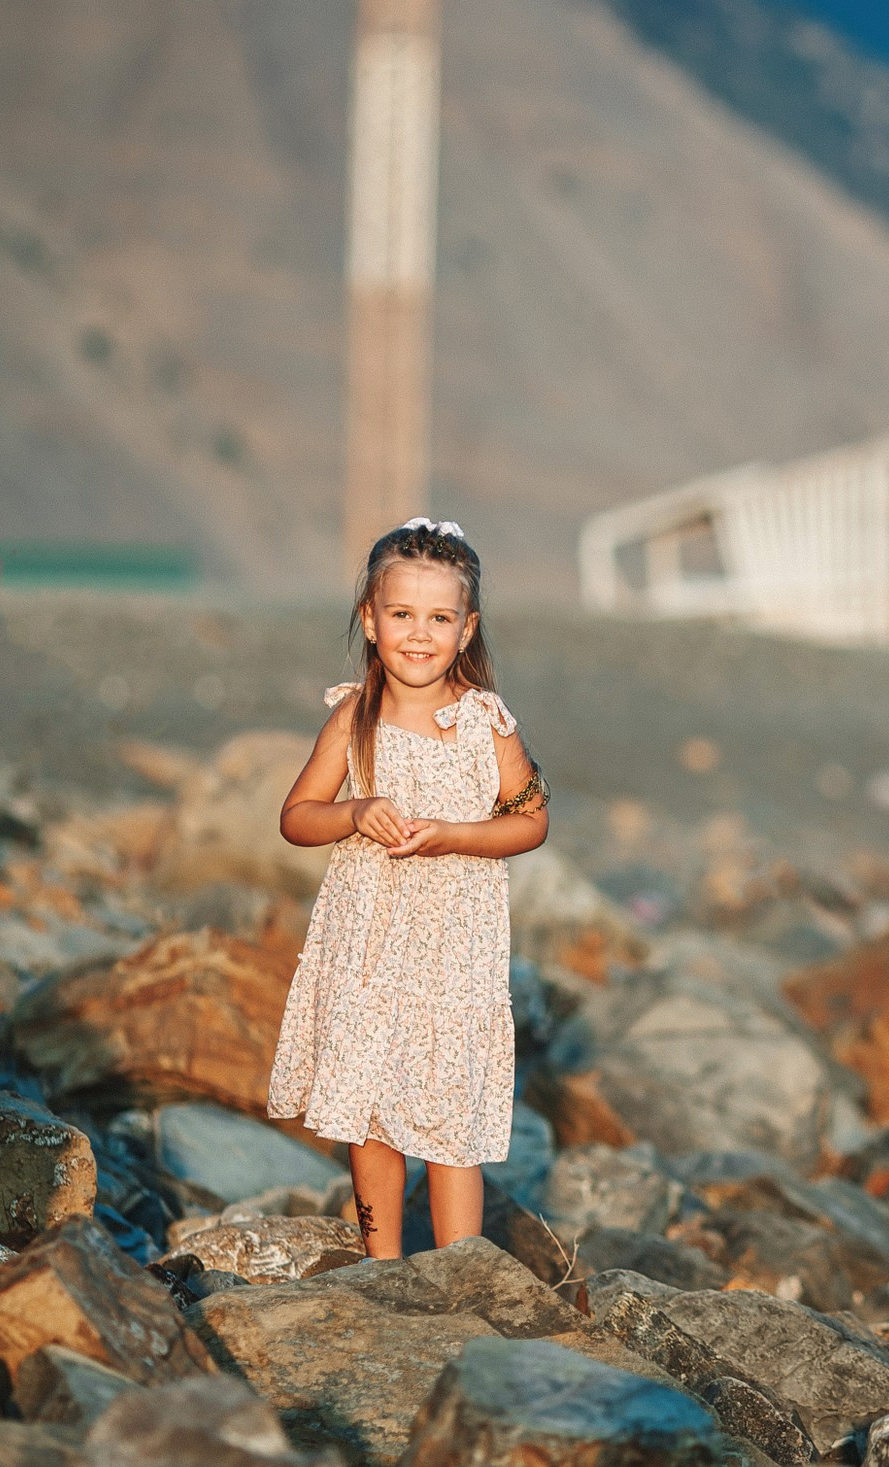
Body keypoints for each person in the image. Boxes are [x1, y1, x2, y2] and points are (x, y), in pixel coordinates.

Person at [269, 517, 547, 1257]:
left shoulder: (484, 722)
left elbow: (531, 819)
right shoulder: (352, 716)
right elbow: (297, 817)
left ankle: (462, 1265)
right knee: (368, 1107)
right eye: (401, 615)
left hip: (454, 948)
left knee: (450, 1114)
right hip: (367, 943)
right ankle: (380, 1261)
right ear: (370, 617)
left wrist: (457, 833)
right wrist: (355, 812)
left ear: (467, 628)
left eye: (439, 617)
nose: (418, 635)